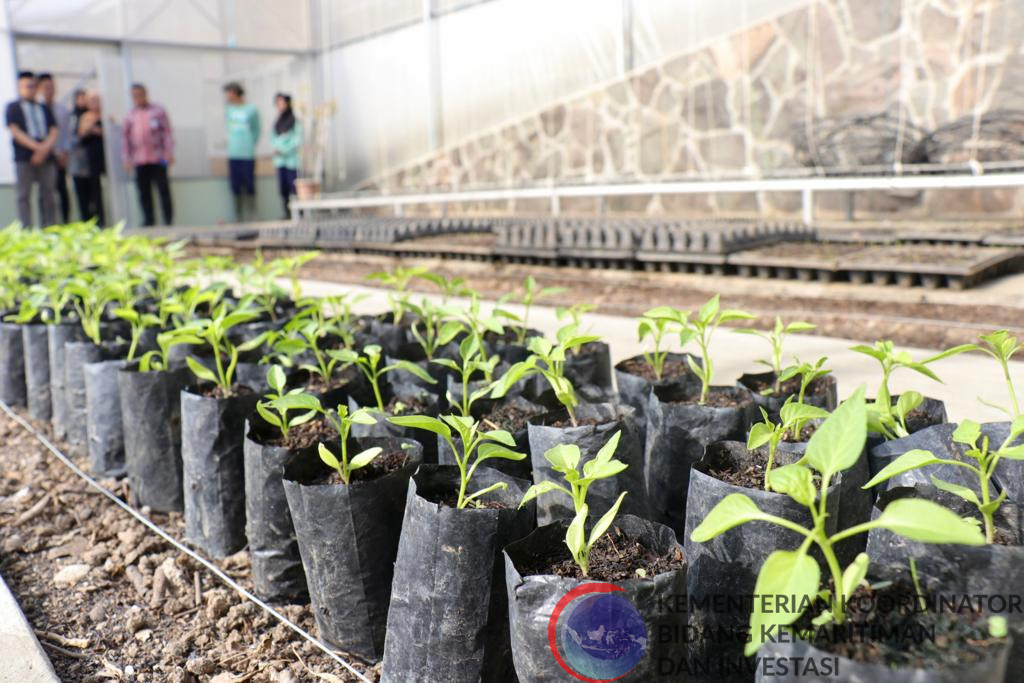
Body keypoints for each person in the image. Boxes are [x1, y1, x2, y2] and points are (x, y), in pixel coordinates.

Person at [5, 71, 58, 227]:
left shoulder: (45, 108)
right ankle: (26, 229)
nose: (30, 89)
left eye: (33, 86)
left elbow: (54, 131)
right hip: (24, 156)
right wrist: (37, 148)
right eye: (27, 86)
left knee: (48, 193)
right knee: (23, 195)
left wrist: (44, 149)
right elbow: (15, 131)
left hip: (47, 156)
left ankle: (50, 228)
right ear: (19, 87)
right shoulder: (13, 107)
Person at [123, 83, 174, 226]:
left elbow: (167, 133)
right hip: (140, 160)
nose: (138, 98)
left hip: (158, 158)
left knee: (163, 190)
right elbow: (126, 139)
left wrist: (168, 152)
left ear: (146, 94)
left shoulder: (158, 111)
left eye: (140, 94)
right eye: (135, 96)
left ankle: (168, 221)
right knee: (144, 193)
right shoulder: (130, 115)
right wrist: (126, 158)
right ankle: (149, 221)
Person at [223, 81, 260, 222]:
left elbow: (257, 129)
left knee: (249, 183)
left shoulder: (251, 109)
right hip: (233, 154)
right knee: (235, 185)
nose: (227, 96)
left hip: (247, 154)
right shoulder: (229, 110)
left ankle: (252, 215)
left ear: (236, 92)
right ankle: (238, 216)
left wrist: (250, 142)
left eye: (229, 93)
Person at [37, 73, 71, 223]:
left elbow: (66, 133)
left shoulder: (62, 110)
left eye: (51, 87)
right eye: (46, 87)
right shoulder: (37, 110)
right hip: (44, 155)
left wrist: (64, 152)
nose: (49, 90)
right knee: (44, 191)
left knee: (62, 189)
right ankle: (47, 223)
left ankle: (65, 222)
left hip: (60, 155)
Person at [76, 91, 105, 225]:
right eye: (91, 100)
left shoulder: (106, 114)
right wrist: (92, 125)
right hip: (92, 158)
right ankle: (98, 220)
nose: (94, 102)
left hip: (105, 156)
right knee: (95, 190)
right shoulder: (85, 117)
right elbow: (81, 133)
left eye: (96, 99)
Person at [271, 93, 301, 219]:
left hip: (291, 160)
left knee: (293, 187)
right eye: (278, 103)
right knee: (283, 189)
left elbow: (298, 139)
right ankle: (286, 213)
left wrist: (284, 150)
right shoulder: (277, 122)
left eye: (282, 103)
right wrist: (276, 149)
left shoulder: (294, 121)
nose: (280, 106)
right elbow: (273, 138)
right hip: (280, 161)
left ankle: (298, 213)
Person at [67, 89, 91, 221]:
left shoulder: (92, 115)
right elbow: (71, 137)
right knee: (81, 194)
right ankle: (85, 220)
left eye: (84, 98)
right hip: (76, 161)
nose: (82, 101)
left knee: (92, 193)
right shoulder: (72, 117)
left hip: (90, 160)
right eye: (79, 98)